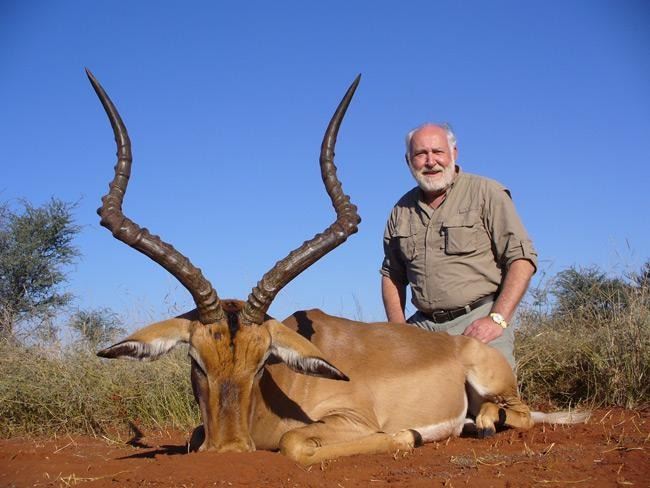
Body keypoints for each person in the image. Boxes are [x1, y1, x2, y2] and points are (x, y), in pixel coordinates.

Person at [380, 123, 537, 368]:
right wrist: (399, 331)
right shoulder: (401, 210)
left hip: (478, 320)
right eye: (420, 154)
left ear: (454, 153)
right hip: (423, 329)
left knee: (492, 392)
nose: (430, 161)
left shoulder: (487, 192)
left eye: (437, 152)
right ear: (408, 160)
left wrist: (496, 319)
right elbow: (392, 275)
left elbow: (522, 260)